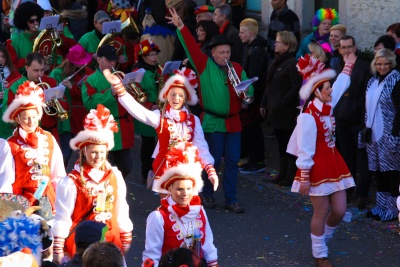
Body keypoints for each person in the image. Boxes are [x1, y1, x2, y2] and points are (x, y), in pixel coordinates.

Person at [167, 7, 254, 213]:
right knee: (211, 161)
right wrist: (181, 26)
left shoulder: (237, 68)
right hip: (213, 122)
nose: (226, 55)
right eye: (222, 52)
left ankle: (231, 198)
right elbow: (190, 48)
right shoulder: (204, 64)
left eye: (228, 52)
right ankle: (206, 194)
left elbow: (248, 87)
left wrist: (246, 93)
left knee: (232, 162)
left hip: (233, 123)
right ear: (213, 52)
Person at [287, 54, 356, 267]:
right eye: (327, 87)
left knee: (340, 210)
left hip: (334, 163)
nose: (331, 90)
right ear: (316, 91)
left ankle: (322, 239)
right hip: (315, 166)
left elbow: (340, 86)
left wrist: (348, 66)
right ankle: (320, 254)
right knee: (322, 210)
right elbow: (305, 150)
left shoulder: (327, 105)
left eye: (329, 86)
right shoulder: (307, 116)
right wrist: (305, 177)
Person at [104, 67, 218, 195]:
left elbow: (201, 147)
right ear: (167, 96)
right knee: (167, 209)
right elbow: (138, 110)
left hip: (189, 171)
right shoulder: (160, 117)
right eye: (173, 94)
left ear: (185, 98)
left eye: (180, 95)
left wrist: (210, 170)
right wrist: (120, 89)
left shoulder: (193, 120)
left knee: (188, 211)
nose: (176, 98)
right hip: (166, 170)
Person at [52, 104, 133, 265]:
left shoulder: (115, 176)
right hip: (82, 247)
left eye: (102, 152)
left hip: (111, 245)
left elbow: (121, 210)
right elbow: (63, 217)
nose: (98, 156)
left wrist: (125, 239)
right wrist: (58, 249)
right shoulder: (71, 181)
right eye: (93, 152)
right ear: (84, 151)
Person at [141, 143, 218, 267]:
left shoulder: (200, 210)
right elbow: (151, 256)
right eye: (179, 189)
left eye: (189, 188)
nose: (185, 194)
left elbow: (208, 244)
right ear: (169, 189)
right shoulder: (158, 217)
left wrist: (213, 264)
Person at [2, 79, 66, 219]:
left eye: (34, 117)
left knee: (48, 238)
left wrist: (62, 200)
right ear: (18, 119)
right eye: (25, 118)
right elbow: (6, 181)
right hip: (21, 203)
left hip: (47, 201)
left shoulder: (48, 138)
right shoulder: (10, 145)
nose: (30, 122)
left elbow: (58, 174)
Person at [82, 45, 134, 178]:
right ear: (98, 59)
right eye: (109, 60)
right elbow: (90, 103)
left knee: (126, 167)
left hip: (123, 127)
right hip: (104, 129)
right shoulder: (90, 80)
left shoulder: (121, 76)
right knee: (105, 169)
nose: (112, 63)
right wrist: (110, 93)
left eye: (114, 60)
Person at [332, 35, 372, 209]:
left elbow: (365, 94)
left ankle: (362, 193)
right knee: (346, 156)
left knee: (361, 157)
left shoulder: (363, 67)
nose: (346, 50)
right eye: (343, 47)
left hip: (357, 119)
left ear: (355, 48)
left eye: (349, 47)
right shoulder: (338, 66)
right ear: (339, 50)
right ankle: (349, 190)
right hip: (341, 118)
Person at [260, 31, 302, 186]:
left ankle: (290, 175)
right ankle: (282, 173)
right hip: (275, 109)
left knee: (288, 144)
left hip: (285, 111)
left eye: (278, 42)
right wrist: (264, 103)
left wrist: (281, 102)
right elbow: (269, 84)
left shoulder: (291, 63)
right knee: (281, 143)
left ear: (287, 45)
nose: (275, 44)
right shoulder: (277, 62)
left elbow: (295, 87)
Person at [363, 49, 400, 222]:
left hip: (390, 133)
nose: (382, 67)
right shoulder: (372, 81)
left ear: (392, 64)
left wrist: (395, 135)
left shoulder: (396, 80)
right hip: (373, 133)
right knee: (378, 172)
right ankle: (381, 206)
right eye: (379, 64)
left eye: (386, 64)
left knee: (392, 173)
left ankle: (393, 209)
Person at [3, 52, 69, 142]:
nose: (40, 74)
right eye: (36, 70)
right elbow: (8, 115)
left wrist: (54, 104)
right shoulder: (14, 86)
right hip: (27, 135)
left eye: (42, 70)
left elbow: (65, 105)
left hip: (50, 132)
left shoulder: (51, 82)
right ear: (26, 68)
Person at [49, 44, 93, 168]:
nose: (83, 64)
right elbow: (51, 92)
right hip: (65, 119)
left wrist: (72, 88)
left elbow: (87, 95)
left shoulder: (88, 72)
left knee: (84, 152)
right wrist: (60, 86)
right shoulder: (57, 73)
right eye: (80, 62)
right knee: (65, 153)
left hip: (82, 116)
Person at [238, 18, 268, 174]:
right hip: (251, 94)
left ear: (250, 33)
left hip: (254, 96)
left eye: (242, 32)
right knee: (249, 127)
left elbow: (253, 77)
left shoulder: (256, 51)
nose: (239, 35)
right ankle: (251, 157)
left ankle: (257, 159)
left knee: (253, 127)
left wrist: (247, 98)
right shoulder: (249, 47)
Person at [131, 39, 162, 184]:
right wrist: (150, 105)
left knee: (159, 142)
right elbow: (135, 94)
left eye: (155, 54)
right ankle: (146, 172)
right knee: (148, 143)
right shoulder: (138, 72)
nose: (155, 57)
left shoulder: (157, 69)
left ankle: (156, 169)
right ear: (143, 57)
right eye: (152, 55)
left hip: (158, 109)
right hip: (146, 111)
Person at [5, 1, 44, 73]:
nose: (36, 23)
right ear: (24, 22)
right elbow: (12, 66)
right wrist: (30, 59)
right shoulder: (14, 42)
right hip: (24, 79)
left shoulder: (44, 36)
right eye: (31, 21)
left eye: (37, 20)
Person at [0, 45, 22, 139]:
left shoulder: (14, 73)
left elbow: (21, 92)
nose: (0, 60)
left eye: (3, 56)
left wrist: (9, 93)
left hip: (8, 114)